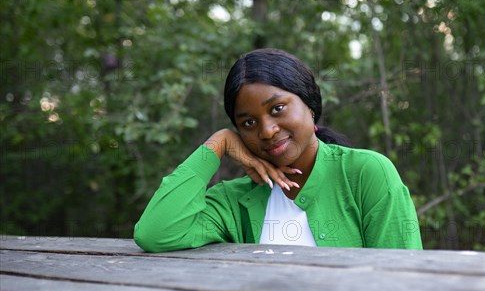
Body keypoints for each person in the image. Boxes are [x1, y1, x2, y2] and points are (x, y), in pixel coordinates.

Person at [134, 48, 422, 252]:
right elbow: (155, 233)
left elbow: (402, 278)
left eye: (278, 108)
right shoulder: (234, 201)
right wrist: (219, 142)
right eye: (248, 122)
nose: (267, 130)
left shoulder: (365, 174)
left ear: (310, 104)